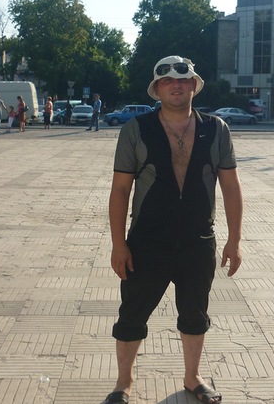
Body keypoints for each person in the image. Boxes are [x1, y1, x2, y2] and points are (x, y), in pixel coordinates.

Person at [102, 55, 243, 404]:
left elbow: (231, 186)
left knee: (195, 314)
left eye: (183, 79)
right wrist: (118, 244)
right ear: (157, 88)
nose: (176, 85)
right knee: (132, 314)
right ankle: (123, 383)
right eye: (167, 80)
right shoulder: (136, 129)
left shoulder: (216, 129)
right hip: (147, 242)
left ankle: (193, 377)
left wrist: (235, 240)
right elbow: (120, 190)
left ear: (194, 85)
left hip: (198, 240)